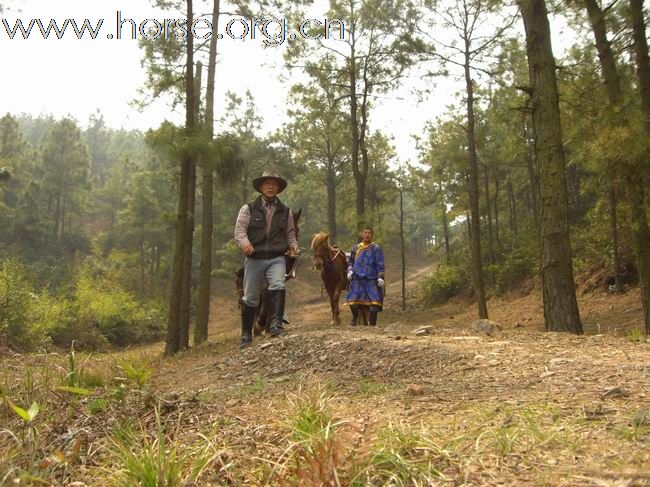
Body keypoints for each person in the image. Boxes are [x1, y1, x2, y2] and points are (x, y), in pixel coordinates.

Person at [234, 169, 300, 348]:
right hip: (254, 258)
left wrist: (294, 246)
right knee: (251, 297)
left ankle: (276, 325)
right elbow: (239, 231)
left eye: (274, 184)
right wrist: (245, 244)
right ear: (261, 187)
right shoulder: (248, 208)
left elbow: (290, 233)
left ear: (278, 188)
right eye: (267, 184)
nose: (271, 187)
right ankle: (246, 335)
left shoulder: (285, 211)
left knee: (278, 285)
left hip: (276, 257)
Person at [346, 227, 385, 326]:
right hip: (357, 279)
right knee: (352, 302)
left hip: (372, 279)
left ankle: (372, 325)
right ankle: (355, 317)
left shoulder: (376, 248)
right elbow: (350, 262)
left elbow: (380, 264)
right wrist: (350, 271)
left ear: (372, 235)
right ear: (362, 234)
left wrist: (380, 276)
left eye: (369, 233)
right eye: (365, 233)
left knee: (374, 303)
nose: (367, 235)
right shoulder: (355, 248)